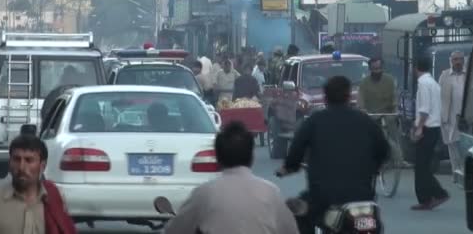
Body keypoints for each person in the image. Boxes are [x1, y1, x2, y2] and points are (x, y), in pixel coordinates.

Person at [277, 76, 390, 234]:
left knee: (298, 212)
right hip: (364, 196)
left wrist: (288, 167)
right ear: (349, 96)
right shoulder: (366, 121)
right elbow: (384, 151)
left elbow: (296, 150)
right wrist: (374, 167)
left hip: (323, 199)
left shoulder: (314, 121)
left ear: (325, 97)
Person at [163, 121, 299, 234]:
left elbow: (173, 231)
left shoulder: (204, 193)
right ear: (252, 157)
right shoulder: (271, 192)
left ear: (218, 158)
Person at [0, 135, 76, 234]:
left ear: (42, 166)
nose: (21, 167)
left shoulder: (53, 199)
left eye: (29, 160)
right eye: (16, 159)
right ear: (9, 162)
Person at [411, 56, 449, 211]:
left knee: (420, 166)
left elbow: (424, 109)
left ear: (416, 68)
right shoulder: (433, 83)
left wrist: (418, 128)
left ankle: (437, 194)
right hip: (433, 128)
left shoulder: (423, 83)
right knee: (422, 166)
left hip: (427, 127)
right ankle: (427, 198)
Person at [438, 51, 465, 181]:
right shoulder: (445, 76)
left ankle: (465, 172)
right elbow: (441, 96)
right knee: (452, 144)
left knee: (464, 144)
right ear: (451, 61)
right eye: (455, 59)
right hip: (450, 115)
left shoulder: (469, 74)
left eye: (460, 59)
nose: (458, 62)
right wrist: (442, 116)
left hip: (465, 115)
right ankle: (456, 172)